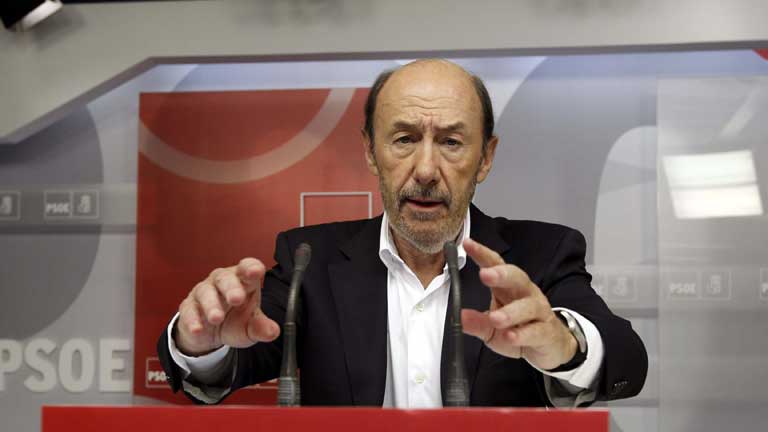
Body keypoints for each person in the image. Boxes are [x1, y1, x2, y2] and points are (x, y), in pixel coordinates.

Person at [156, 59, 648, 407]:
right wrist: (201, 342)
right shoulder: (310, 258)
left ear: (486, 158)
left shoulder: (540, 254)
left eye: (451, 142)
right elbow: (232, 363)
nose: (426, 170)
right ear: (371, 152)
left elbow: (627, 362)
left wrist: (563, 346)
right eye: (405, 139)